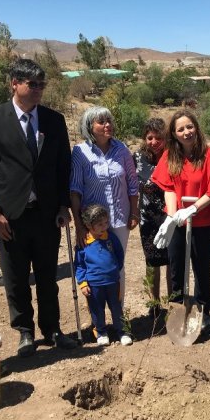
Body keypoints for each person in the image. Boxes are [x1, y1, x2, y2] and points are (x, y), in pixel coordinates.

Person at [0, 58, 77, 358]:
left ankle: (53, 329)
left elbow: (62, 166)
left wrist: (61, 205)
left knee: (47, 276)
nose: (38, 90)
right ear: (14, 84)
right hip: (9, 216)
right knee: (16, 278)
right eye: (32, 84)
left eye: (41, 85)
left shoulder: (53, 120)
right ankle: (25, 332)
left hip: (46, 213)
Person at [151, 110, 210, 334]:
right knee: (176, 268)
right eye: (180, 129)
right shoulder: (169, 156)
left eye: (189, 127)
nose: (186, 132)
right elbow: (169, 188)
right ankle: (177, 311)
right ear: (174, 133)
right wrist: (173, 218)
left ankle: (203, 313)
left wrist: (191, 209)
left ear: (196, 128)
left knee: (202, 269)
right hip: (178, 223)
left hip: (203, 222)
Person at [69, 106, 138, 306]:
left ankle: (119, 314)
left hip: (119, 218)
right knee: (94, 266)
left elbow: (132, 184)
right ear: (90, 127)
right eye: (101, 122)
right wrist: (79, 226)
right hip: (91, 223)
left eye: (109, 121)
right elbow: (75, 191)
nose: (108, 125)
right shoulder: (80, 153)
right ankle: (97, 318)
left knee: (117, 264)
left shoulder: (122, 149)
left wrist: (134, 212)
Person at [74, 204, 132, 347]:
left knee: (116, 307)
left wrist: (115, 268)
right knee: (96, 309)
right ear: (88, 225)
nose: (104, 226)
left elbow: (119, 254)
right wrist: (83, 283)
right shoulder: (84, 243)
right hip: (94, 284)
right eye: (100, 224)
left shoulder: (111, 238)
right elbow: (79, 265)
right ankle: (101, 332)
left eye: (106, 222)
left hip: (113, 281)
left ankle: (122, 332)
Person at [133, 118, 170, 319]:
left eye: (158, 138)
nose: (154, 142)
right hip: (147, 219)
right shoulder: (137, 157)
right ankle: (154, 304)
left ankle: (174, 302)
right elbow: (130, 184)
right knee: (151, 263)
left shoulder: (173, 156)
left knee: (172, 262)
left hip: (170, 218)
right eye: (150, 137)